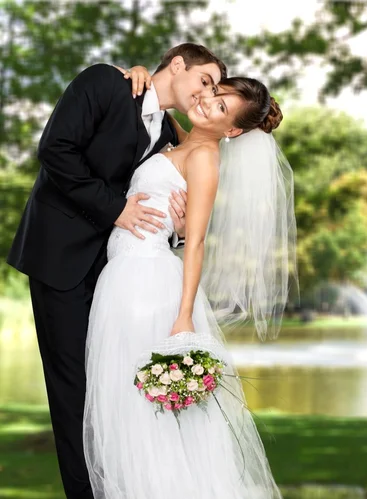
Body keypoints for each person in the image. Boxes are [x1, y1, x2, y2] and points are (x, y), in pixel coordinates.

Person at [6, 43, 227, 499]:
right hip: (61, 257)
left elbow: (166, 200)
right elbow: (56, 150)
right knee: (72, 391)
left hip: (118, 275)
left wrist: (178, 231)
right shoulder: (106, 83)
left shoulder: (168, 131)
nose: (206, 93)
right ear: (179, 64)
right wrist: (115, 210)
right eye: (205, 80)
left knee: (114, 388)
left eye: (215, 89)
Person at [82, 75, 295, 498]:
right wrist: (142, 71)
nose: (206, 102)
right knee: (123, 406)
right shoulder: (182, 138)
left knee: (144, 410)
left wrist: (183, 316)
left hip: (147, 282)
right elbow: (160, 106)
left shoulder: (204, 158)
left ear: (232, 130)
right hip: (123, 275)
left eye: (220, 107)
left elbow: (195, 241)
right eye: (215, 93)